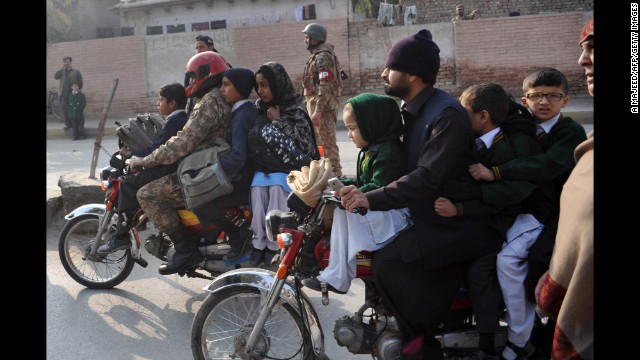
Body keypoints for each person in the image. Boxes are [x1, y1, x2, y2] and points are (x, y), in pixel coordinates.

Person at [339, 29, 502, 360]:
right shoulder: (412, 112)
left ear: (412, 73)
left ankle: (419, 346)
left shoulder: (446, 114)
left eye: (390, 67)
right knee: (369, 259)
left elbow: (426, 177)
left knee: (386, 264)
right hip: (426, 217)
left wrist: (371, 199)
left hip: (455, 226)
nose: (384, 73)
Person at [467, 68, 587, 360]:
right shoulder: (521, 123)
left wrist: (496, 173)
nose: (544, 102)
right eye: (537, 96)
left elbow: (545, 165)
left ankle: (521, 338)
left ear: (565, 101)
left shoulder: (569, 131)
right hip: (524, 208)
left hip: (558, 211)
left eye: (553, 96)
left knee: (513, 260)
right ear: (525, 99)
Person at [435, 83, 554, 360]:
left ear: (483, 116)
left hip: (499, 224)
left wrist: (460, 209)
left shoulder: (505, 149)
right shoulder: (472, 141)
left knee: (480, 272)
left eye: (465, 112)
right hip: (480, 219)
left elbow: (505, 199)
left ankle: (489, 341)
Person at [129, 51, 237, 275]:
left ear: (205, 74)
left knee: (147, 194)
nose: (190, 82)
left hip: (202, 172)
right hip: (208, 166)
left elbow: (181, 143)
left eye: (192, 77)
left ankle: (185, 249)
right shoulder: (220, 98)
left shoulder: (209, 102)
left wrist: (146, 160)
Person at [302, 93, 411, 294]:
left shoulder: (388, 152)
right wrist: (339, 185)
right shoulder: (370, 149)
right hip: (378, 209)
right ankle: (335, 273)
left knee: (345, 211)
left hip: (393, 215)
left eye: (352, 129)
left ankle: (338, 276)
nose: (349, 135)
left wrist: (350, 192)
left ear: (372, 124)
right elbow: (362, 183)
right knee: (339, 209)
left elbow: (379, 188)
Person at [535, 16, 593, 360]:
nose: (582, 60)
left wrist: (495, 173)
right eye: (583, 49)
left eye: (593, 47)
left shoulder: (570, 133)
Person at [98, 82, 190, 254]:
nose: (157, 103)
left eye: (161, 99)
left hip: (167, 168)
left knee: (126, 184)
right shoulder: (177, 119)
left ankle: (121, 236)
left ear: (172, 103)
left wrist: (132, 154)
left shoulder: (175, 121)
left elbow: (157, 149)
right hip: (168, 165)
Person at [248, 61, 320, 267]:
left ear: (277, 84)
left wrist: (278, 121)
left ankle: (275, 244)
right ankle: (258, 243)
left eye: (265, 85)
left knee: (278, 187)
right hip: (266, 168)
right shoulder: (259, 109)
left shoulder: (295, 108)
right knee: (257, 189)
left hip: (295, 169)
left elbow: (305, 146)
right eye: (258, 86)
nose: (261, 91)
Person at [191, 67, 257, 261]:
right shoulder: (243, 110)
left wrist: (210, 170)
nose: (221, 90)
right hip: (244, 175)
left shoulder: (241, 117)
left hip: (241, 180)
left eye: (227, 85)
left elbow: (237, 158)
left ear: (240, 88)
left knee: (198, 199)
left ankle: (238, 236)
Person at [302, 22, 343, 177]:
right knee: (322, 145)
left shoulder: (322, 57)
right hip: (319, 107)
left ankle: (337, 178)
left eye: (307, 37)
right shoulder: (318, 55)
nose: (305, 40)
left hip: (323, 109)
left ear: (315, 38)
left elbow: (325, 84)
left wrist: (318, 111)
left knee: (328, 145)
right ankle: (328, 177)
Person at [54, 56, 83, 130]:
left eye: (68, 61)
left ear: (70, 62)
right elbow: (56, 76)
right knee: (65, 110)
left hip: (72, 94)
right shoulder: (61, 72)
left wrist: (77, 90)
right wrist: (61, 69)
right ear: (63, 63)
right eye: (65, 62)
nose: (67, 63)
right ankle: (68, 124)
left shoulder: (76, 71)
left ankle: (75, 125)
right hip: (63, 94)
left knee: (73, 109)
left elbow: (80, 83)